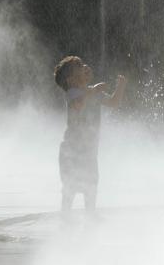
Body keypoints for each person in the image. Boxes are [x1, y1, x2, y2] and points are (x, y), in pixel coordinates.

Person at [53, 55, 126, 215]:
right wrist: (93, 91)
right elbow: (78, 105)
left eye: (82, 63)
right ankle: (65, 217)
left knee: (91, 184)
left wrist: (120, 86)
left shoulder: (93, 92)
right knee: (70, 187)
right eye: (79, 66)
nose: (85, 66)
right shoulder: (72, 93)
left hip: (89, 150)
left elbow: (114, 103)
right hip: (71, 150)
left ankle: (90, 216)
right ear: (71, 80)